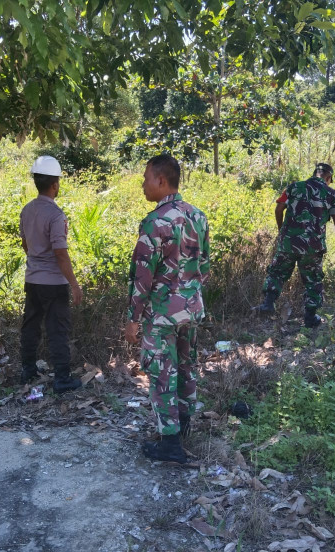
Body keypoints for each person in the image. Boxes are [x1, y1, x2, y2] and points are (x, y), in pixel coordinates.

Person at [125, 154, 210, 464]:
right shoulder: (198, 216)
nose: (143, 184)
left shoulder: (155, 221)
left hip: (161, 314)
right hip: (192, 307)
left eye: (146, 178)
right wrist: (188, 292)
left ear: (162, 181)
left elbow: (142, 277)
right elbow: (205, 265)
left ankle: (170, 445)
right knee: (187, 367)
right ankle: (184, 425)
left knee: (162, 373)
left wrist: (133, 319)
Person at [255, 162, 335, 327]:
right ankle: (310, 317)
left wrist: (282, 231)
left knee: (277, 272)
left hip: (288, 242)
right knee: (313, 280)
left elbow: (279, 209)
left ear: (315, 173)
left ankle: (268, 303)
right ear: (328, 177)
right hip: (313, 246)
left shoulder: (293, 187)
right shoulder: (332, 194)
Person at [19, 155, 83, 393]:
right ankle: (62, 379)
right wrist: (74, 284)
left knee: (31, 325)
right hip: (53, 283)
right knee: (58, 329)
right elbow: (61, 253)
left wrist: (36, 259)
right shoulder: (56, 215)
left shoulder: (27, 210)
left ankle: (28, 370)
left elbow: (25, 245)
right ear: (55, 184)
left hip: (32, 279)